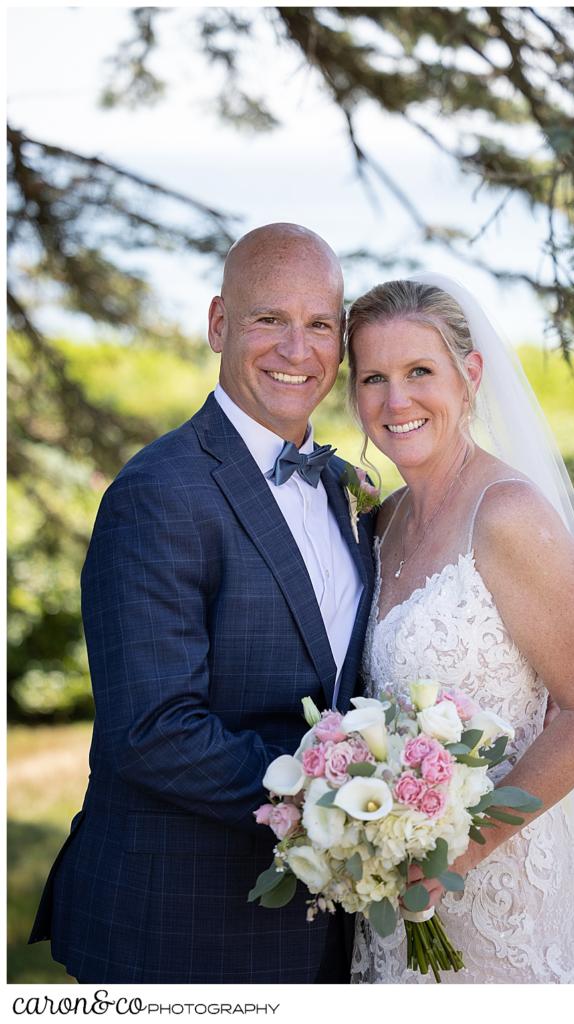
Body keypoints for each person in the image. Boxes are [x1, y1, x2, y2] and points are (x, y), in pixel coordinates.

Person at [28, 223, 375, 984]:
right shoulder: (160, 492)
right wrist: (346, 800)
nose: (297, 349)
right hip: (182, 928)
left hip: (322, 931)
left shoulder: (343, 485)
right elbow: (153, 731)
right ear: (219, 323)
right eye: (268, 320)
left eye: (319, 324)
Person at [346, 275, 574, 984]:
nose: (396, 401)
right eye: (373, 378)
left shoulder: (507, 512)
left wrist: (462, 852)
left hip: (503, 895)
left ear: (469, 375)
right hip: (392, 900)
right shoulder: (383, 522)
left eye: (419, 371)